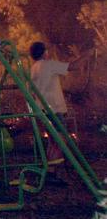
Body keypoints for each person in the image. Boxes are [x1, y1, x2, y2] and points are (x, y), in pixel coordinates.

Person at [29, 41, 92, 185]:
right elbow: (73, 66)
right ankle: (50, 172)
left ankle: (51, 171)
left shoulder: (34, 68)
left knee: (53, 141)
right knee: (59, 141)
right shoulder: (48, 65)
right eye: (47, 50)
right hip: (54, 110)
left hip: (43, 109)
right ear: (44, 52)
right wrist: (86, 55)